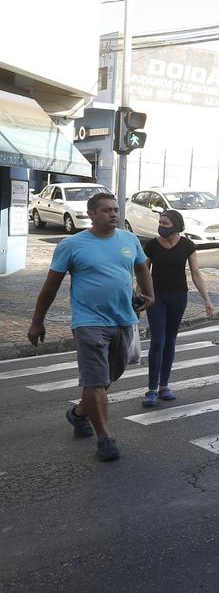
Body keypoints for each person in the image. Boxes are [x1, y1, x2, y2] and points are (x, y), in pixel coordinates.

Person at [27, 193, 155, 462]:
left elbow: (142, 268)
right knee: (96, 380)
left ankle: (78, 414)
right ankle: (105, 437)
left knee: (109, 376)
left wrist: (149, 294)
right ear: (92, 214)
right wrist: (38, 321)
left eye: (116, 210)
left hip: (124, 318)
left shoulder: (129, 240)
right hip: (89, 322)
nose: (114, 214)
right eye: (107, 210)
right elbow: (50, 285)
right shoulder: (72, 245)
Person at [140, 210, 215, 408]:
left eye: (165, 223)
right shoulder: (152, 246)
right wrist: (137, 299)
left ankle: (164, 386)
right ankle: (152, 389)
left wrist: (207, 300)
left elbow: (196, 274)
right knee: (158, 340)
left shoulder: (187, 245)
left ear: (175, 225)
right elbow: (143, 273)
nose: (161, 226)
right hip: (156, 298)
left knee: (170, 340)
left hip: (178, 297)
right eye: (160, 222)